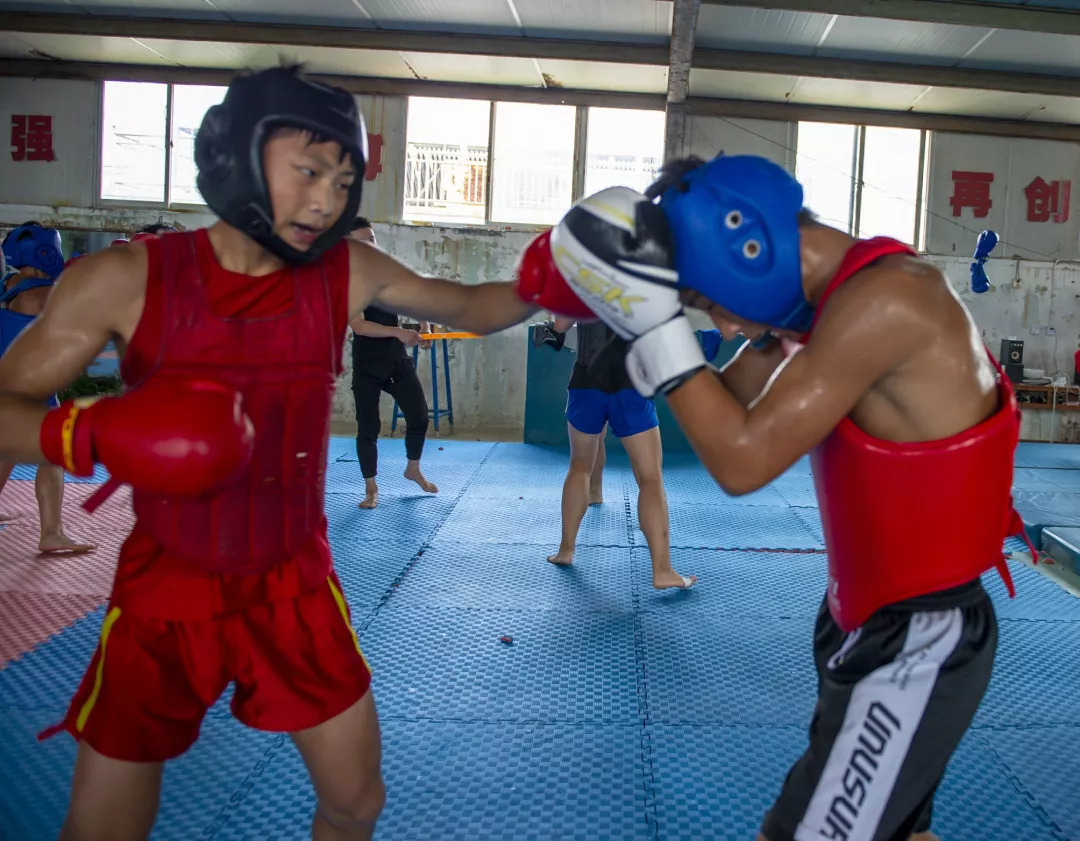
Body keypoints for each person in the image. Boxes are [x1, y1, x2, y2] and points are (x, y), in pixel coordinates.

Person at [0, 64, 581, 841]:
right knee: (103, 826)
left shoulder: (344, 270)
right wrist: (97, 431)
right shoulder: (125, 278)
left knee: (355, 801)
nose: (326, 200)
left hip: (294, 586)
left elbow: (469, 305)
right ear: (236, 154)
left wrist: (560, 272)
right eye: (308, 171)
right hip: (163, 589)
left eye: (343, 181)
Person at [534, 155, 1031, 841]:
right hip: (862, 616)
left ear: (747, 247)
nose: (725, 326)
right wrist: (638, 332)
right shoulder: (817, 309)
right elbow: (726, 399)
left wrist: (658, 331)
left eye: (708, 301)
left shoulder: (885, 301)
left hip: (919, 637)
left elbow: (742, 461)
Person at [544, 315, 696, 590]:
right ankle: (662, 571)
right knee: (650, 479)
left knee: (579, 467)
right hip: (630, 383)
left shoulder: (580, 287)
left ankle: (566, 550)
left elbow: (561, 326)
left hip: (586, 381)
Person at [0, 222, 94, 554]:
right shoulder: (44, 295)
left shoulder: (6, 285)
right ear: (47, 250)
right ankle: (52, 532)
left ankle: (52, 532)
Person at [346, 216, 437, 510]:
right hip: (368, 364)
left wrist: (424, 326)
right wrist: (399, 332)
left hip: (395, 360)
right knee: (368, 427)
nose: (369, 246)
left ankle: (413, 468)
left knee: (419, 416)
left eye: (371, 239)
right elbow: (359, 326)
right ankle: (371, 488)